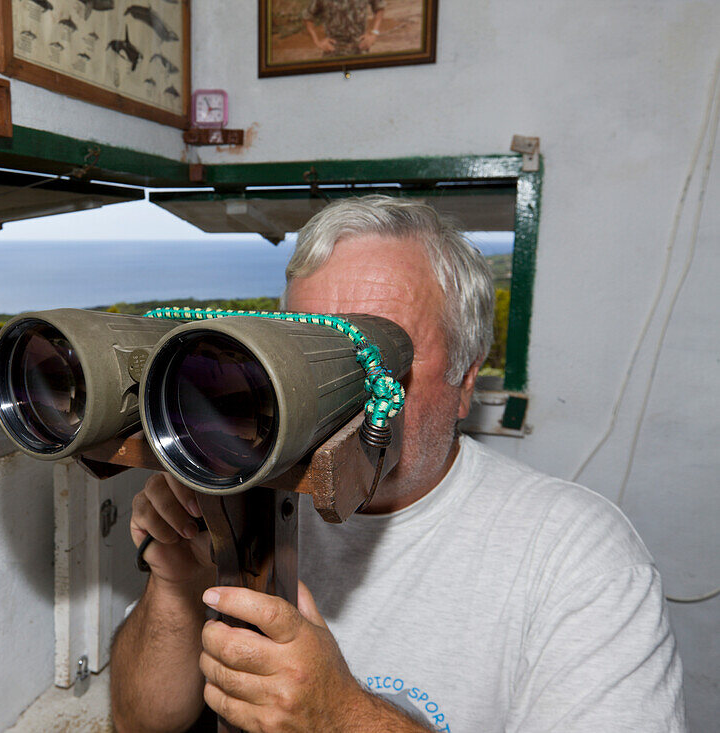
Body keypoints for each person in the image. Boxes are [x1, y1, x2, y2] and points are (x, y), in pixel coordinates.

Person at [109, 196, 685, 732]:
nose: (335, 393)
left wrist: (339, 717)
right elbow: (142, 721)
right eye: (310, 354)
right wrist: (177, 579)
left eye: (377, 353)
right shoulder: (245, 492)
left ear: (465, 379)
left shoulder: (578, 555)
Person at [303, 0, 386, 56]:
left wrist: (374, 33)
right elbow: (307, 16)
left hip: (360, 49)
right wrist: (318, 41)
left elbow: (379, 7)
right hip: (333, 52)